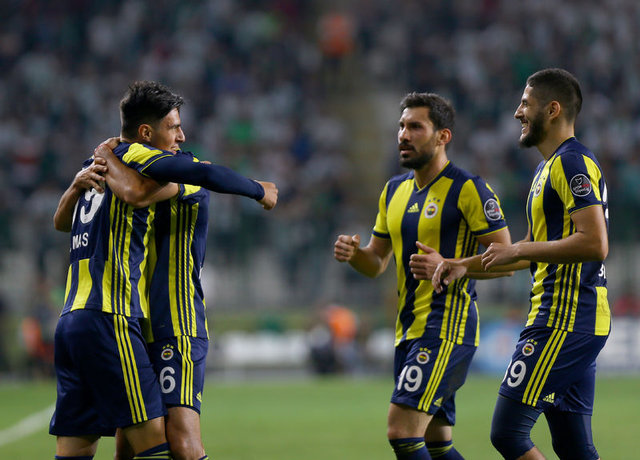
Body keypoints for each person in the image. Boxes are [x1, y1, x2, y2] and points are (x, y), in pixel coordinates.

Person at [51, 81, 277, 460]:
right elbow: (141, 191)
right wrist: (258, 189)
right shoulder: (136, 159)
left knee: (108, 440)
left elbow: (62, 222)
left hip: (86, 320)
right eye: (174, 127)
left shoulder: (97, 163)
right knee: (159, 441)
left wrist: (88, 172)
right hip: (115, 316)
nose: (181, 137)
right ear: (145, 132)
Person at [433, 68, 610, 460]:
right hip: (572, 319)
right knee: (573, 446)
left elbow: (595, 243)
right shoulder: (546, 169)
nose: (517, 112)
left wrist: (515, 252)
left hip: (565, 319)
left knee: (508, 432)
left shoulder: (572, 163)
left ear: (552, 109)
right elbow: (529, 249)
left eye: (526, 103)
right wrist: (463, 265)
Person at [334, 92, 511, 460]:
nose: (403, 135)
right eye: (401, 126)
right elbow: (376, 262)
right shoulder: (393, 191)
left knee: (401, 431)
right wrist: (355, 255)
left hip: (446, 328)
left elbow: (508, 257)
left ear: (442, 136)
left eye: (415, 127)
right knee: (436, 443)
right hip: (408, 331)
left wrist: (454, 264)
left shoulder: (468, 188)